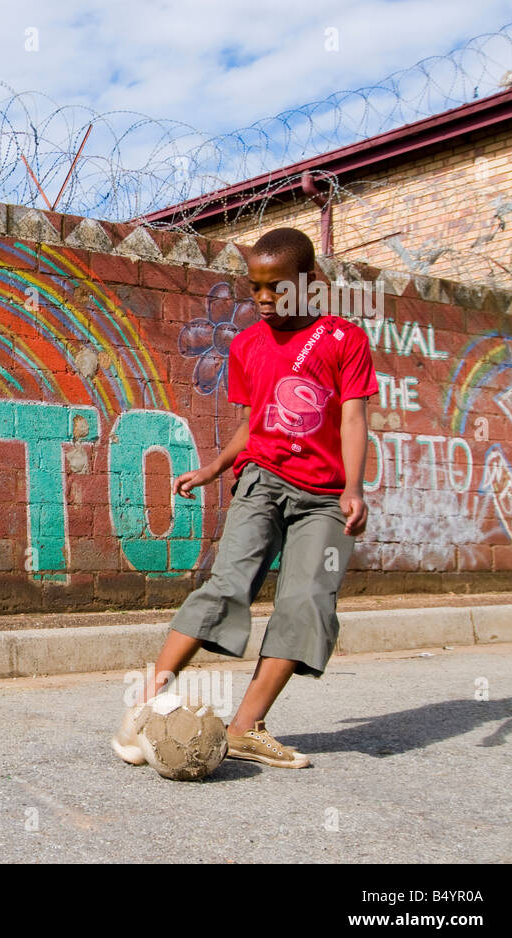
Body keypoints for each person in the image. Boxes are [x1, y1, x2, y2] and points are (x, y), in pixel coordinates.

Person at [113, 227, 379, 769]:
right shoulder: (248, 344)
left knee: (307, 601)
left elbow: (354, 417)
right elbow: (252, 422)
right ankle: (142, 708)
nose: (262, 299)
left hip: (326, 498)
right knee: (228, 584)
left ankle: (245, 727)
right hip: (262, 478)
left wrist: (353, 487)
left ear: (309, 284)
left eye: (276, 288)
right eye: (254, 287)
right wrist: (214, 468)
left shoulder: (343, 339)